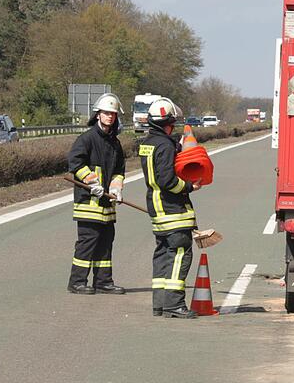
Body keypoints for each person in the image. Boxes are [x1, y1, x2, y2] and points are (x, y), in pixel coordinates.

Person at [139, 97, 201, 319]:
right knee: (180, 254)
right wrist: (189, 186)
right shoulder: (165, 146)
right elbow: (167, 180)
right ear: (167, 122)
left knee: (163, 255)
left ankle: (160, 304)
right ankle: (174, 304)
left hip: (157, 208)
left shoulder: (148, 144)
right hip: (172, 208)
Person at [66, 93, 127, 295]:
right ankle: (77, 282)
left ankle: (103, 282)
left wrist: (117, 187)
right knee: (87, 242)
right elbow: (75, 162)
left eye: (113, 114)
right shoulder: (87, 138)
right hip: (88, 202)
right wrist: (91, 182)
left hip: (107, 204)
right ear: (98, 114)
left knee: (106, 243)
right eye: (106, 113)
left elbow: (119, 170)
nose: (110, 117)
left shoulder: (115, 143)